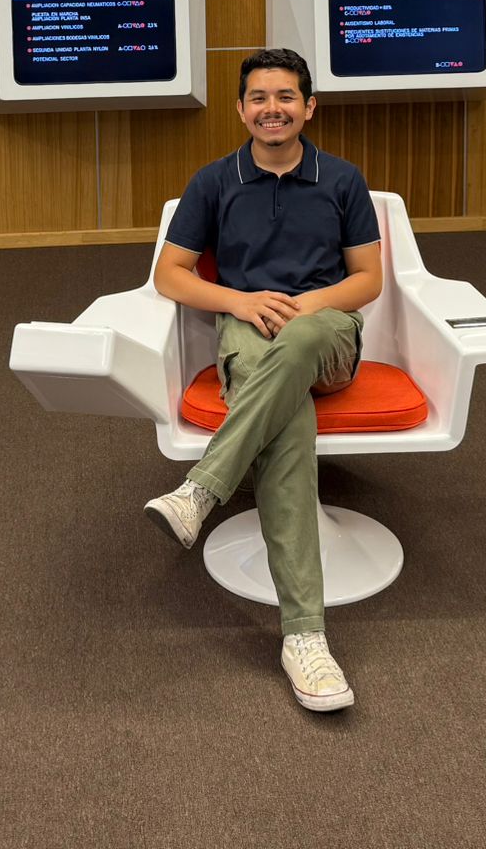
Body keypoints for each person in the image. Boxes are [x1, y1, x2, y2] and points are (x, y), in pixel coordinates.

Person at [142, 49, 383, 712]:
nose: (271, 108)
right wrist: (242, 302)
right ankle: (305, 637)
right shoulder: (215, 182)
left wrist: (300, 307)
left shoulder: (341, 179)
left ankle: (202, 488)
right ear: (241, 109)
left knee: (300, 341)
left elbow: (368, 280)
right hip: (247, 334)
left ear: (309, 107)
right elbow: (172, 274)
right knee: (285, 424)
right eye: (257, 97)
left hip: (326, 337)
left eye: (285, 97)